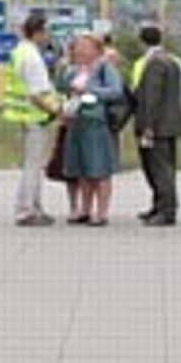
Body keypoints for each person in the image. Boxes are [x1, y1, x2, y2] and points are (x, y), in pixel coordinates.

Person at [2, 12, 61, 226]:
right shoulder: (33, 58)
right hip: (36, 117)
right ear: (38, 32)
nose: (48, 36)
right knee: (33, 167)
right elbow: (38, 95)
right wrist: (57, 112)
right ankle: (27, 211)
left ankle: (34, 207)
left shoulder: (19, 51)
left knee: (32, 165)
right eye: (47, 32)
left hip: (23, 115)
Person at [59, 32, 124, 225]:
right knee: (81, 168)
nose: (80, 50)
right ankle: (84, 209)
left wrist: (90, 91)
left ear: (96, 50)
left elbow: (115, 91)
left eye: (84, 46)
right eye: (77, 46)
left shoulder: (105, 68)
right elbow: (62, 89)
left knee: (99, 168)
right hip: (75, 121)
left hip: (96, 123)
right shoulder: (73, 70)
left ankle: (102, 212)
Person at [130, 24, 181, 225]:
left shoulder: (154, 63)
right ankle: (159, 206)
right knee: (165, 167)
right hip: (170, 123)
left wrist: (148, 125)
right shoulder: (172, 61)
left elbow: (152, 97)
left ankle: (166, 210)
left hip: (156, 125)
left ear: (141, 41)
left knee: (158, 168)